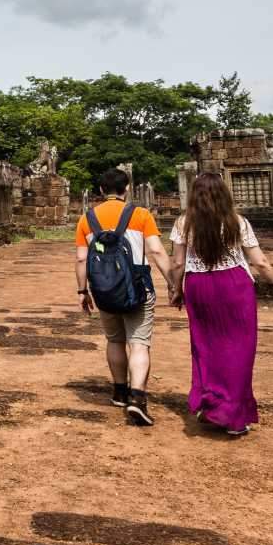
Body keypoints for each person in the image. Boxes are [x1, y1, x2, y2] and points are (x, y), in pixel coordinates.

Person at [165, 172, 273, 436]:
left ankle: (212, 402)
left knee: (206, 345)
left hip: (199, 286)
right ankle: (232, 415)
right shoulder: (237, 222)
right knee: (240, 348)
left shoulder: (184, 222)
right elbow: (260, 261)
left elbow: (177, 263)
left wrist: (176, 290)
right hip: (234, 285)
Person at [74, 169, 168, 426]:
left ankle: (119, 391)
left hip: (104, 289)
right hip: (138, 288)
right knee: (138, 342)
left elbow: (82, 258)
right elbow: (157, 251)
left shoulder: (87, 219)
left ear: (101, 191)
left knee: (115, 340)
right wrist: (173, 283)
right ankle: (137, 398)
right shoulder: (140, 215)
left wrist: (83, 291)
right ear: (127, 189)